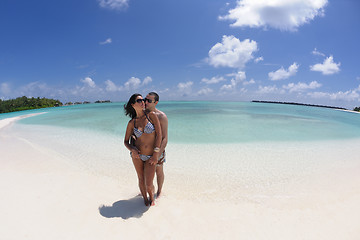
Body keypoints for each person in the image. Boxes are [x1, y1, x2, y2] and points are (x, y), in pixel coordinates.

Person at [124, 93, 162, 206]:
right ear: (133, 104)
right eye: (139, 100)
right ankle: (145, 199)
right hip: (137, 156)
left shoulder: (152, 115)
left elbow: (159, 135)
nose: (143, 102)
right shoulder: (132, 122)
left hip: (151, 156)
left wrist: (156, 154)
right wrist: (132, 149)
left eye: (144, 100)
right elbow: (125, 141)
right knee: (141, 179)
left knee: (149, 183)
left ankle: (152, 197)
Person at [144, 92, 168, 197]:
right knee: (146, 173)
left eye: (149, 101)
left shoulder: (161, 116)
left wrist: (157, 154)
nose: (146, 102)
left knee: (159, 170)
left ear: (156, 102)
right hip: (145, 150)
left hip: (157, 150)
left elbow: (165, 138)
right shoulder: (142, 114)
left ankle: (159, 191)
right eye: (145, 99)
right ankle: (148, 190)